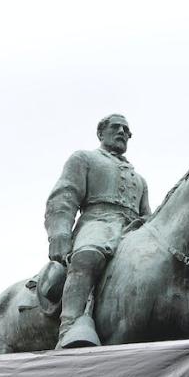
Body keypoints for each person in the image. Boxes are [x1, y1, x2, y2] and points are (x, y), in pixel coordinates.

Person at [44, 114, 150, 349]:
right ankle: (69, 328)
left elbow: (147, 216)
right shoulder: (85, 158)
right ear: (101, 133)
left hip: (132, 230)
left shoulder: (139, 179)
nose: (122, 132)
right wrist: (60, 233)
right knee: (88, 255)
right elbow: (65, 196)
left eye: (126, 130)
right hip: (96, 222)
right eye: (116, 127)